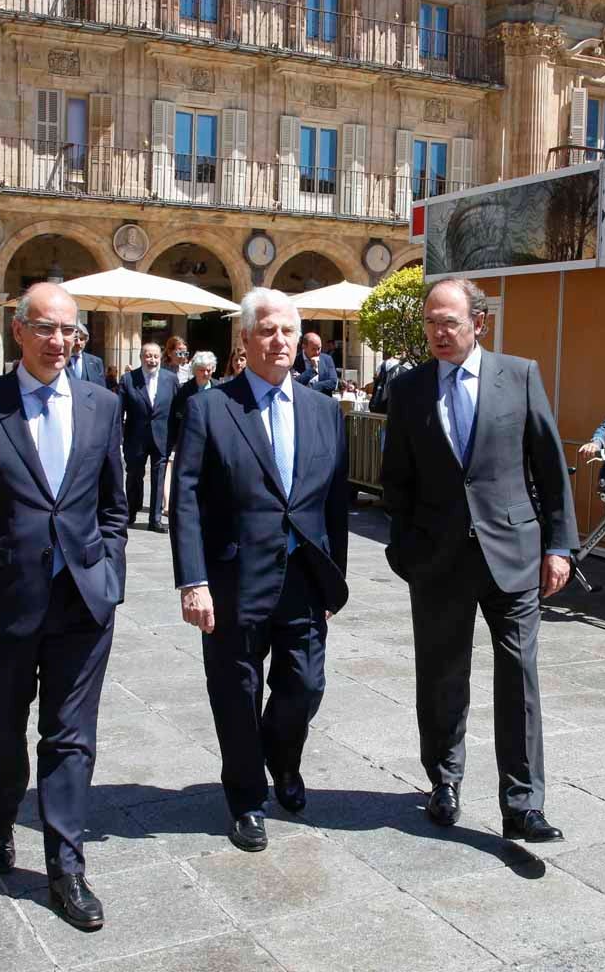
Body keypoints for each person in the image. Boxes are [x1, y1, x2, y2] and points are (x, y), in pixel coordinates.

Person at [0, 282, 127, 931]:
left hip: (82, 603)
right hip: (1, 602)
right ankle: (0, 819)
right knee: (3, 727)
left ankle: (66, 866)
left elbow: (115, 505)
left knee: (71, 737)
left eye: (70, 331)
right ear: (19, 331)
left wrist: (109, 571)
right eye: (46, 328)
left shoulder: (102, 405)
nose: (59, 341)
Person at [380, 278, 577, 844]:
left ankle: (523, 804)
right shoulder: (410, 388)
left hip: (513, 555)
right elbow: (396, 479)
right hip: (438, 562)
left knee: (519, 678)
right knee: (441, 678)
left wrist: (559, 546)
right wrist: (406, 549)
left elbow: (549, 465)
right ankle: (443, 781)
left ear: (479, 324)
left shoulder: (519, 376)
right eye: (431, 322)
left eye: (450, 322)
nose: (439, 333)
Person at [170, 287, 349, 852]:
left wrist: (331, 577)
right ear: (244, 340)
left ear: (300, 340)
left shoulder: (324, 410)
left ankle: (283, 759)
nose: (279, 341)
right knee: (236, 690)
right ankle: (247, 797)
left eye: (288, 331)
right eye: (267, 330)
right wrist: (192, 581)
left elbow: (334, 505)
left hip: (302, 577)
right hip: (234, 579)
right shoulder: (210, 407)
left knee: (306, 683)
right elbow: (188, 500)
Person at [117, 342, 176, 533]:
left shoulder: (171, 379)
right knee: (134, 475)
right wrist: (117, 438)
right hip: (136, 437)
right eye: (148, 356)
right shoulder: (128, 380)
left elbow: (177, 411)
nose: (152, 360)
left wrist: (177, 438)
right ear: (141, 357)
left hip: (163, 436)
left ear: (160, 358)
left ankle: (155, 519)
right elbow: (119, 412)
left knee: (159, 476)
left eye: (155, 356)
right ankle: (132, 511)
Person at [168, 349, 215, 450]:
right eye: (202, 370)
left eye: (209, 370)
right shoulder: (183, 390)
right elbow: (177, 416)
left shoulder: (219, 388)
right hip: (190, 441)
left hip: (213, 439)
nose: (206, 373)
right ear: (195, 370)